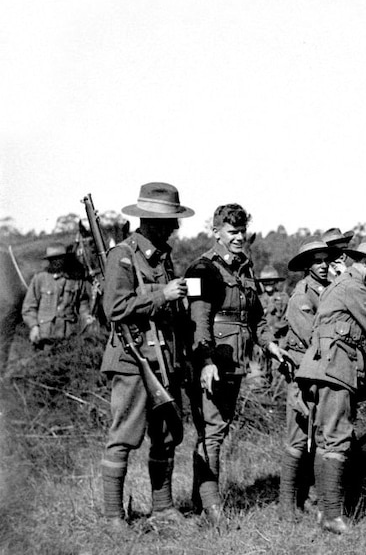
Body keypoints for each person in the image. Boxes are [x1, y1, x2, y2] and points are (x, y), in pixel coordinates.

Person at [294, 236, 366, 534]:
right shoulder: (353, 287)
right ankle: (332, 517)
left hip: (322, 369)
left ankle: (324, 512)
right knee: (337, 440)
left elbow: (350, 340)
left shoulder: (338, 286)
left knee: (325, 440)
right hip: (334, 371)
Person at [185, 203, 288, 527]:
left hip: (236, 363)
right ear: (215, 231)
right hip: (213, 362)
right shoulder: (202, 269)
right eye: (232, 232)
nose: (239, 238)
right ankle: (212, 509)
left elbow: (254, 317)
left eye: (242, 231)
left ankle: (199, 500)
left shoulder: (245, 267)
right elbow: (198, 320)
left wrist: (270, 345)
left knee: (216, 430)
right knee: (213, 432)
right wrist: (205, 362)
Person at [99, 182, 193, 532]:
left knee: (166, 434)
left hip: (163, 359)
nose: (174, 228)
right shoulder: (121, 256)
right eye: (169, 221)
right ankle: (113, 518)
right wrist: (162, 294)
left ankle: (163, 508)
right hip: (132, 357)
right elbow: (115, 307)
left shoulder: (162, 257)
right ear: (150, 222)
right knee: (124, 436)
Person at [277, 240, 339, 521]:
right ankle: (286, 507)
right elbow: (312, 337)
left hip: (320, 372)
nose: (323, 265)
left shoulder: (327, 291)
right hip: (302, 375)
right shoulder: (301, 296)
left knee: (319, 437)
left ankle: (313, 500)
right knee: (297, 440)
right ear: (306, 266)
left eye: (326, 260)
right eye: (317, 261)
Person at [22, 244, 94, 348]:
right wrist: (34, 327)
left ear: (65, 259)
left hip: (69, 336)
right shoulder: (40, 279)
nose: (56, 262)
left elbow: (83, 303)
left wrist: (86, 317)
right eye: (53, 259)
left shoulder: (76, 280)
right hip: (45, 337)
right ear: (49, 260)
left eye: (60, 258)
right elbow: (28, 308)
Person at [253, 265, 288, 383]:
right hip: (262, 341)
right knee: (261, 371)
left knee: (277, 371)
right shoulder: (258, 299)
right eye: (265, 282)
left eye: (271, 281)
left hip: (279, 340)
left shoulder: (283, 298)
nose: (268, 284)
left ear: (276, 282)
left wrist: (274, 329)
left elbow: (286, 319)